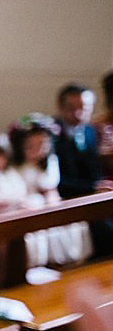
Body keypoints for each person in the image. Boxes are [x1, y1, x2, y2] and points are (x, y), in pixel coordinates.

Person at [10, 114, 92, 267]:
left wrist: (51, 201)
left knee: (70, 220)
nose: (38, 150)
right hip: (24, 203)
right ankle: (38, 264)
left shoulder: (51, 161)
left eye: (42, 144)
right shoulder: (17, 167)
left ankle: (67, 262)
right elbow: (16, 192)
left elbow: (51, 188)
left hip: (48, 201)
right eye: (31, 145)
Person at [53, 83, 113, 255]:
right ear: (60, 107)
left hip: (91, 195)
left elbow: (93, 166)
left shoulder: (88, 130)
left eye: (84, 108)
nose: (78, 114)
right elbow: (58, 180)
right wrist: (92, 188)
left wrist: (100, 184)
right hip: (67, 197)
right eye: (72, 108)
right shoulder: (52, 135)